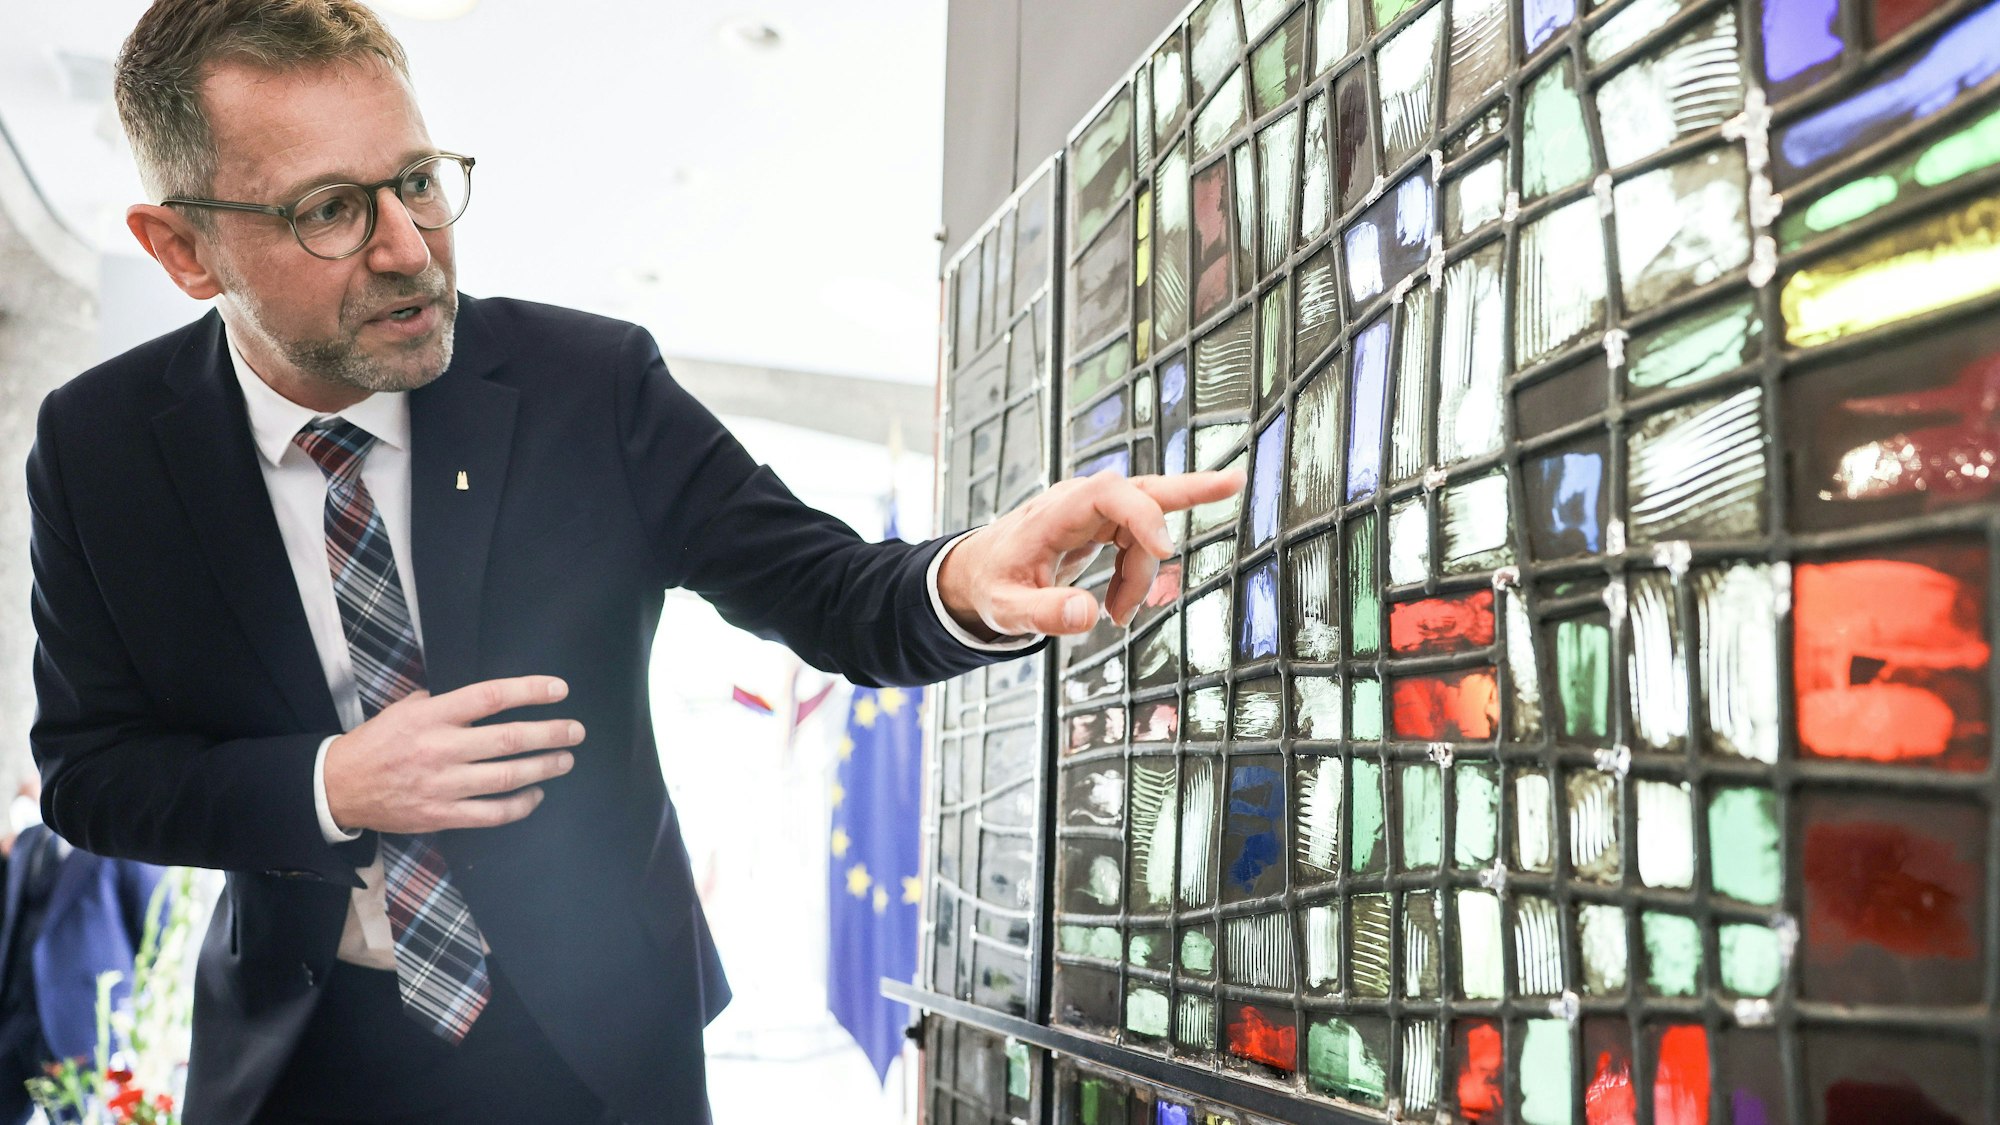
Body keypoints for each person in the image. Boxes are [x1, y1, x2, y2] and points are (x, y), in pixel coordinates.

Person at [25, 3, 1243, 1123]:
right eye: (329, 210)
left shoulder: (588, 388)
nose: (408, 248)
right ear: (183, 250)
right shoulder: (101, 450)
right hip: (304, 1053)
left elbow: (825, 589)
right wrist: (333, 785)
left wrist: (965, 576)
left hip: (594, 1049)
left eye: (417, 182)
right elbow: (92, 774)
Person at [0, 803, 169, 1125]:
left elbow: (152, 927)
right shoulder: (28, 841)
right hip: (14, 1017)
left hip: (80, 1025)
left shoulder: (122, 842)